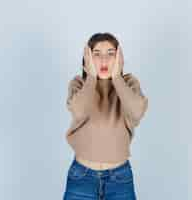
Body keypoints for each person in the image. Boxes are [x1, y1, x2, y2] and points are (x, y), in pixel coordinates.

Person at [63, 32, 149, 200]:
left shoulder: (129, 83)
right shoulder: (79, 84)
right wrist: (91, 77)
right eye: (97, 54)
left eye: (111, 54)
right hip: (81, 176)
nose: (104, 61)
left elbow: (137, 112)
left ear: (119, 58)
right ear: (87, 58)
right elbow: (79, 111)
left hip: (120, 178)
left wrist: (117, 77)